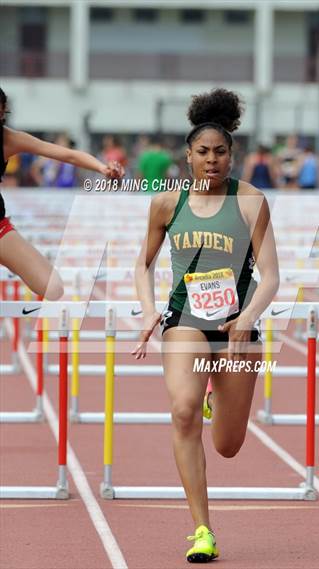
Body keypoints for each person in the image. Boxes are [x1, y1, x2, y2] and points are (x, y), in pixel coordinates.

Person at [132, 88, 279, 563]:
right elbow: (143, 265)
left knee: (229, 445)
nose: (211, 161)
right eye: (202, 153)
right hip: (186, 323)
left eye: (220, 153)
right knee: (182, 410)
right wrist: (149, 307)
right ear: (188, 156)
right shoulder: (166, 204)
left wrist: (248, 316)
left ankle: (218, 395)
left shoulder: (252, 201)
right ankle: (202, 530)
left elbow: (272, 276)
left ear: (232, 155)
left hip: (237, 328)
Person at [0, 86, 124, 300]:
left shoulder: (9, 139)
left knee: (53, 287)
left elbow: (68, 155)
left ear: (3, 113)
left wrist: (102, 168)